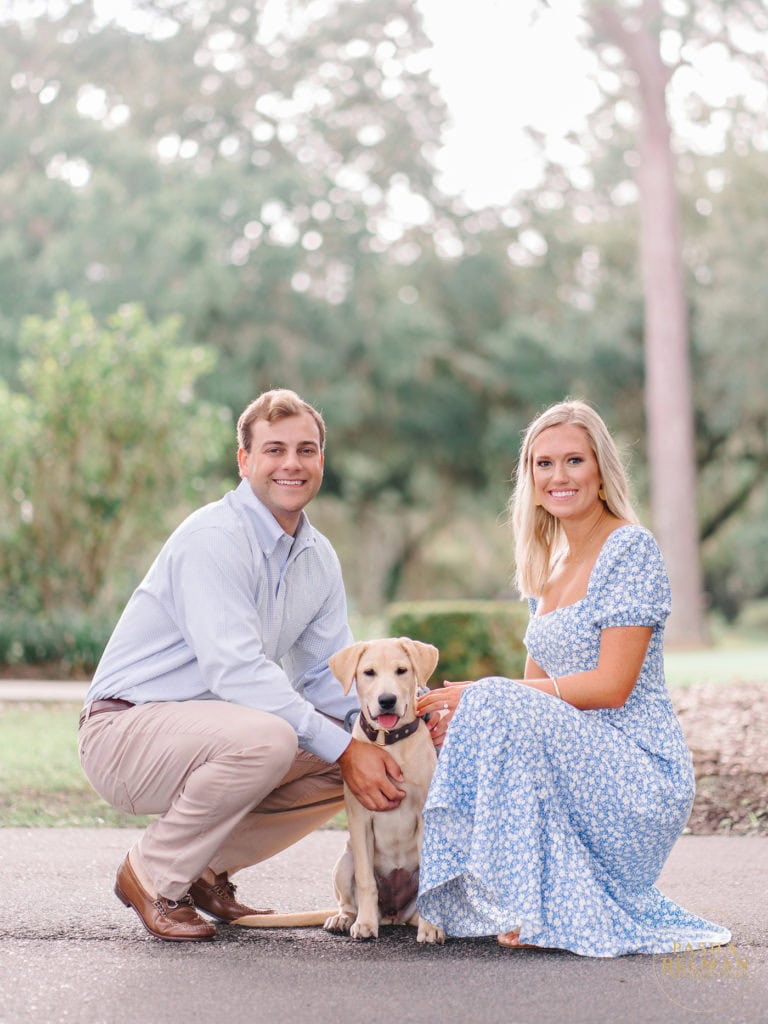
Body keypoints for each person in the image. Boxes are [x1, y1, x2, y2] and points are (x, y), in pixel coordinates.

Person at [78, 388, 406, 942]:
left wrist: (393, 731)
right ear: (244, 460)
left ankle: (202, 869)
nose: (291, 464)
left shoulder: (318, 557)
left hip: (219, 734)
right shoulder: (214, 537)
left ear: (322, 460)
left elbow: (324, 679)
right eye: (274, 449)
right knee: (282, 739)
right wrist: (347, 746)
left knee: (364, 756)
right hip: (124, 732)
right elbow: (235, 673)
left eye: (306, 450)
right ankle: (152, 874)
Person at [416, 399, 731, 956]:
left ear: (601, 471)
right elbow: (532, 711)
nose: (558, 477)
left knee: (490, 699)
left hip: (638, 774)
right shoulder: (549, 567)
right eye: (543, 464)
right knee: (488, 711)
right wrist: (469, 725)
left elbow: (612, 687)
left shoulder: (629, 548)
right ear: (530, 479)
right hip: (582, 762)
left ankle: (535, 904)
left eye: (573, 461)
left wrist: (486, 696)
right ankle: (528, 901)